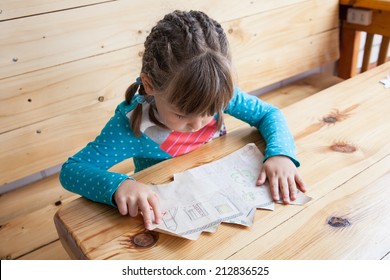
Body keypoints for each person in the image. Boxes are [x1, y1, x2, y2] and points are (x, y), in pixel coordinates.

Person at [60, 10, 306, 230]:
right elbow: (72, 171)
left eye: (211, 111)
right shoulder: (131, 126)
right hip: (167, 217)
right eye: (181, 115)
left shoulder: (214, 93)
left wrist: (281, 154)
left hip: (223, 198)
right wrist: (119, 186)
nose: (199, 124)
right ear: (149, 85)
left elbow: (269, 113)